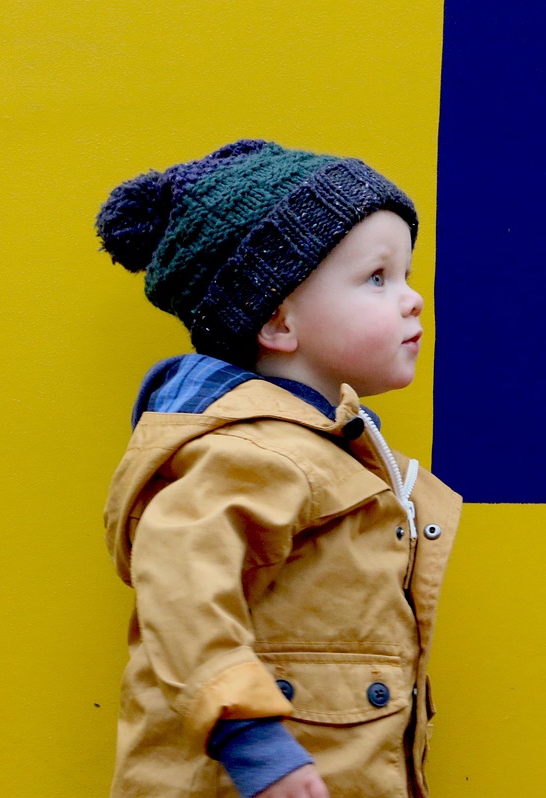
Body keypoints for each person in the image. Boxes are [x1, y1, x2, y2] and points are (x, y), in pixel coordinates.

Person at [96, 139, 462, 798]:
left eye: (407, 275)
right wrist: (255, 742)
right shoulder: (250, 453)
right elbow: (181, 584)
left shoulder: (327, 444)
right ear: (278, 320)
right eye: (377, 279)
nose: (412, 300)